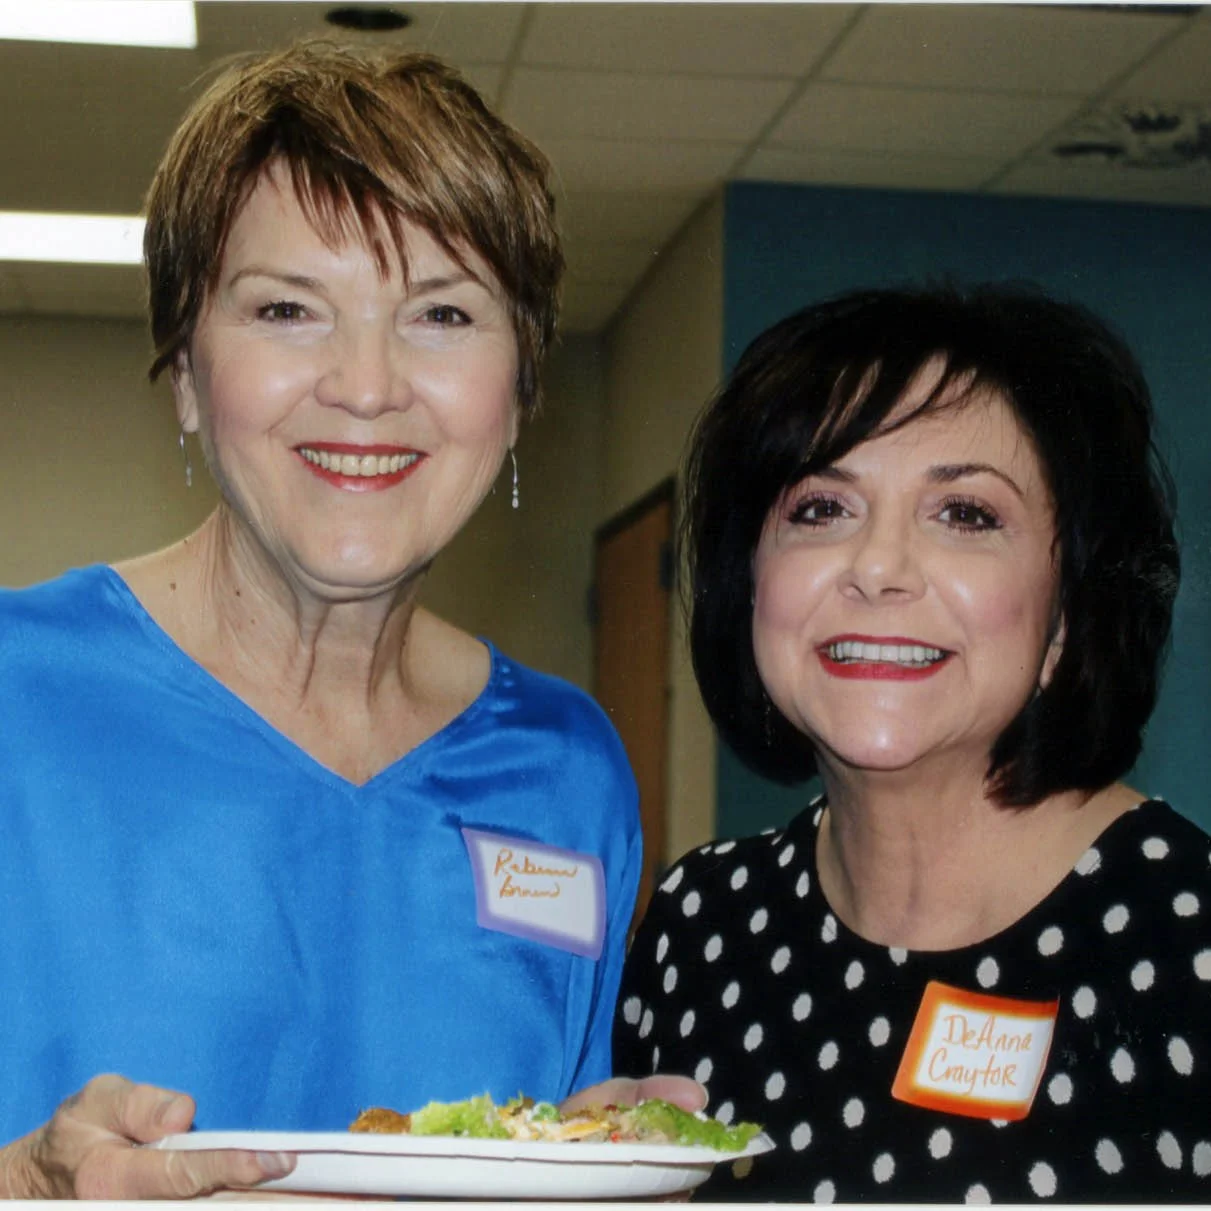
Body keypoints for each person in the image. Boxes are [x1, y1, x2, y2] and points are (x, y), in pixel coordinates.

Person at [0, 42, 659, 1199]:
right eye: (288, 308)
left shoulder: (567, 768)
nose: (365, 383)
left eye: (443, 313)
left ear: (518, 394)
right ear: (189, 373)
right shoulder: (19, 692)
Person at [614, 284, 1211, 1203]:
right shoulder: (702, 926)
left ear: (1067, 611)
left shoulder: (1188, 934)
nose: (878, 568)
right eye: (820, 508)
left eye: (965, 514)